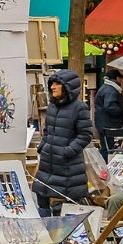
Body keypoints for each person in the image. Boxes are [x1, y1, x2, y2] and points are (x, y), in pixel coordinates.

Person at [35, 69, 95, 216]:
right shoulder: (52, 106)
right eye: (52, 84)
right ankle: (44, 232)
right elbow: (47, 130)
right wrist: (43, 146)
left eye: (57, 84)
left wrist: (66, 151)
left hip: (68, 167)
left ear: (67, 86)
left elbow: (85, 135)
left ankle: (58, 234)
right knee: (41, 195)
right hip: (46, 164)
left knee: (62, 205)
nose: (52, 87)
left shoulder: (79, 108)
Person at [94, 67, 123, 159]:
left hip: (103, 123)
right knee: (107, 148)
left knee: (106, 146)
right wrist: (122, 110)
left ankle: (103, 165)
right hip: (108, 124)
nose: (121, 80)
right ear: (116, 78)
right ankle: (104, 166)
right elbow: (110, 106)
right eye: (120, 77)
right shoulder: (111, 90)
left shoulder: (105, 88)